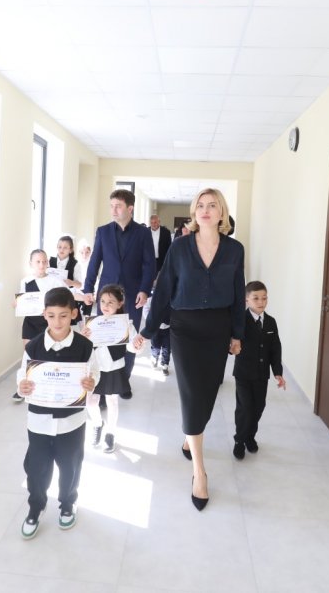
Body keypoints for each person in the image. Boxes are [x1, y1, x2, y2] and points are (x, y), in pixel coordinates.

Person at [134, 188, 245, 511]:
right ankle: (199, 472)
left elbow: (238, 292)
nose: (206, 210)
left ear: (222, 212)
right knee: (192, 394)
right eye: (200, 205)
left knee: (208, 392)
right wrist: (147, 331)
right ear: (194, 212)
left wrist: (237, 334)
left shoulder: (235, 249)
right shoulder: (180, 247)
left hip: (218, 329)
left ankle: (190, 435)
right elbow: (164, 289)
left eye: (212, 205)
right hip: (184, 329)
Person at [16, 287, 98, 539]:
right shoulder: (34, 347)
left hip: (71, 422)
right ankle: (36, 507)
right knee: (36, 467)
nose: (57, 322)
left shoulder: (85, 346)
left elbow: (94, 372)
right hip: (39, 421)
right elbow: (23, 376)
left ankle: (67, 503)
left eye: (63, 315)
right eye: (51, 316)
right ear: (44, 315)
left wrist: (91, 382)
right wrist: (22, 386)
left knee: (70, 465)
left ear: (73, 314)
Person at [83, 189, 155, 398]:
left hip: (133, 296)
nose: (113, 210)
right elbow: (94, 263)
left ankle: (124, 382)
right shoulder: (103, 232)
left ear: (130, 208)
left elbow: (149, 265)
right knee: (103, 341)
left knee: (129, 339)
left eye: (118, 206)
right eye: (111, 206)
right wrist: (88, 289)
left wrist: (145, 290)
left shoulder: (143, 233)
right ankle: (102, 385)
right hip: (106, 296)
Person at [232, 281, 285, 460]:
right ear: (246, 300)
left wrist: (277, 372)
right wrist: (231, 348)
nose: (261, 302)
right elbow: (231, 342)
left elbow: (275, 349)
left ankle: (250, 437)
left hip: (262, 375)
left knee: (258, 407)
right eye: (256, 298)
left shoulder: (271, 322)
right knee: (245, 408)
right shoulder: (240, 321)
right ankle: (239, 441)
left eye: (264, 298)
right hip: (243, 374)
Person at [81, 284, 135, 454]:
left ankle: (110, 433)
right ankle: (97, 424)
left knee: (112, 401)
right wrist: (83, 337)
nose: (105, 305)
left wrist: (137, 344)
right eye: (102, 301)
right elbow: (85, 348)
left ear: (120, 303)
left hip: (114, 368)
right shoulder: (92, 323)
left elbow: (132, 347)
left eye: (111, 302)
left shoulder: (126, 324)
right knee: (90, 402)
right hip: (95, 368)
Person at [12, 249, 66, 402]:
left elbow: (68, 295)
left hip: (49, 323)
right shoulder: (25, 281)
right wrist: (16, 304)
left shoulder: (55, 281)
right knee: (28, 354)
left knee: (49, 354)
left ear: (47, 262)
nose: (41, 265)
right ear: (31, 264)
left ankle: (48, 385)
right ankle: (24, 386)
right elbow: (22, 301)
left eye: (44, 261)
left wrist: (84, 297)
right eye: (38, 262)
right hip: (30, 323)